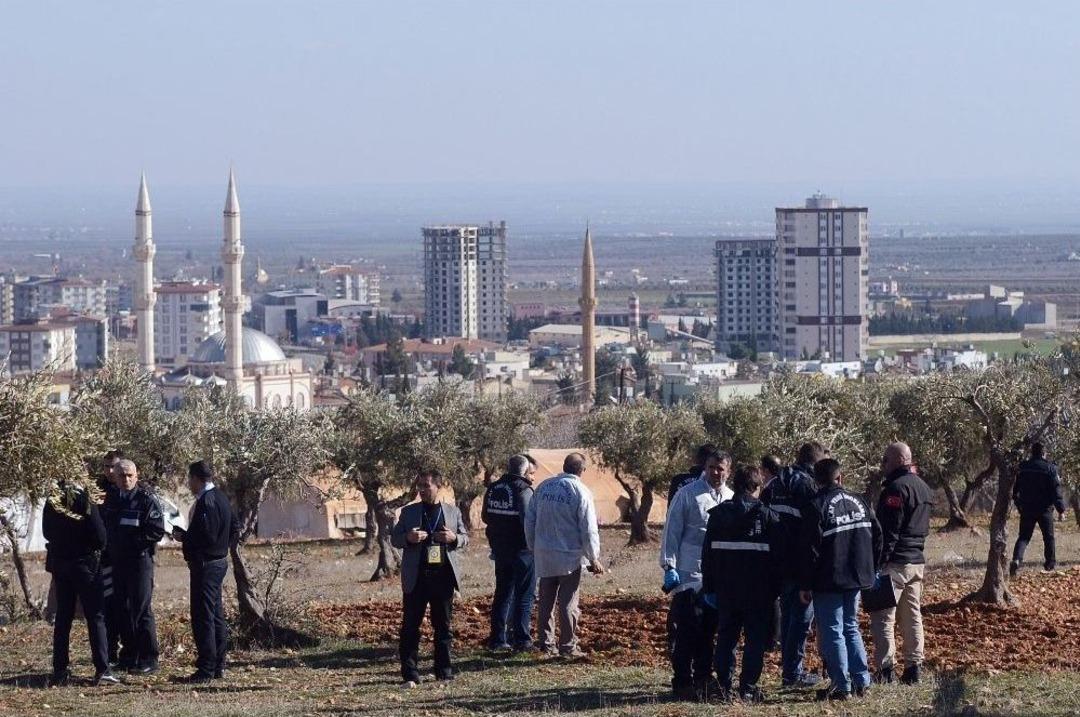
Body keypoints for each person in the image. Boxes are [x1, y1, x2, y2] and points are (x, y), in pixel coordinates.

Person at [799, 459, 881, 701]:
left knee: (833, 630)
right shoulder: (861, 501)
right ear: (840, 477)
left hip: (829, 579)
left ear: (816, 481)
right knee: (851, 626)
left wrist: (806, 583)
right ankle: (862, 681)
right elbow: (878, 535)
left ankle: (841, 686)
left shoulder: (816, 506)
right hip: (856, 577)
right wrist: (871, 567)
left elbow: (810, 551)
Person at [700, 465, 781, 703]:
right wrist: (775, 591)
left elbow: (707, 556)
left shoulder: (718, 515)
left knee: (726, 638)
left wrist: (710, 587)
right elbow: (778, 559)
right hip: (758, 594)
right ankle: (748, 688)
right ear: (757, 487)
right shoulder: (767, 517)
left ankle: (724, 686)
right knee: (754, 641)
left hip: (726, 592)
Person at [659, 450, 732, 700]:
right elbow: (672, 531)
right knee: (688, 629)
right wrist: (669, 565)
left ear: (728, 471)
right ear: (705, 467)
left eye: (720, 468)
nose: (716, 472)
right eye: (712, 467)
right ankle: (681, 681)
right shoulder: (688, 494)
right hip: (689, 572)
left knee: (710, 629)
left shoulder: (730, 498)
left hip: (717, 576)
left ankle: (703, 677)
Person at [391, 471, 469, 686]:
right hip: (416, 577)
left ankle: (444, 671)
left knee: (443, 626)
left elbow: (465, 538)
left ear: (438, 486)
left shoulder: (453, 512)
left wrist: (454, 539)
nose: (422, 490)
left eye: (426, 486)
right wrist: (408, 537)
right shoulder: (408, 513)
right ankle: (410, 674)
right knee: (410, 627)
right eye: (420, 486)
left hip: (443, 577)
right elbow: (395, 538)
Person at [525, 452, 604, 659]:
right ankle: (568, 646)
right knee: (568, 601)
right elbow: (588, 528)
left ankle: (545, 643)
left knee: (546, 600)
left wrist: (533, 546)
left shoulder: (543, 487)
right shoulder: (580, 490)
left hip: (544, 553)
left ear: (564, 466)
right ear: (582, 470)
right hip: (569, 555)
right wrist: (593, 557)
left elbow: (530, 519)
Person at [760, 441, 826, 688]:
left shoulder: (776, 483)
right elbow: (812, 529)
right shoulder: (808, 486)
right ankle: (792, 674)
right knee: (800, 619)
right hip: (799, 564)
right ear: (818, 462)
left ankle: (789, 671)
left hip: (777, 562)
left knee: (789, 617)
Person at [43, 480, 119, 687]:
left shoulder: (53, 499)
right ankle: (102, 669)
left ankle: (59, 670)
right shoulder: (85, 499)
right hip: (85, 565)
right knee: (96, 616)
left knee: (63, 618)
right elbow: (100, 536)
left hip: (61, 564)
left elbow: (46, 532)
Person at [870, 441, 932, 685]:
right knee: (912, 616)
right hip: (917, 561)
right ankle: (914, 667)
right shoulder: (924, 488)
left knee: (884, 616)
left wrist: (879, 563)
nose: (882, 465)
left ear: (898, 460)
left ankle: (886, 670)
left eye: (885, 460)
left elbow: (889, 532)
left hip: (895, 563)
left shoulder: (896, 489)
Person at [173, 461, 238, 683]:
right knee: (216, 615)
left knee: (204, 617)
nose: (188, 484)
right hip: (218, 562)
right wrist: (223, 548)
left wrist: (184, 538)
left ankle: (207, 668)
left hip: (206, 565)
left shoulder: (206, 502)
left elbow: (206, 535)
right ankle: (219, 664)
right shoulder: (222, 498)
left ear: (196, 478)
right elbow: (235, 528)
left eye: (189, 479)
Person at [102, 458, 165, 675]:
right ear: (115, 477)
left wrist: (132, 544)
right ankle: (129, 656)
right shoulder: (110, 500)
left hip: (139, 563)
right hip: (118, 564)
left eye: (130, 475)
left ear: (136, 476)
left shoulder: (146, 500)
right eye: (122, 475)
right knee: (122, 609)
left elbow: (156, 530)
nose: (126, 479)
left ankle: (149, 658)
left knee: (141, 610)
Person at [482, 454, 536, 652]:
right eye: (531, 472)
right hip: (522, 551)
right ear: (523, 471)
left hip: (500, 549)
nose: (532, 476)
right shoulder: (523, 490)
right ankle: (521, 640)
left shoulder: (494, 487)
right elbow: (528, 522)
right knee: (524, 595)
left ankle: (497, 639)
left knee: (502, 593)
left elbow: (485, 516)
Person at [1010, 442, 1067, 575]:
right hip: (1044, 509)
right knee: (1049, 537)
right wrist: (1061, 510)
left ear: (1032, 452)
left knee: (1023, 537)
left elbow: (1015, 489)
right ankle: (1050, 564)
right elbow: (1056, 491)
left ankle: (1017, 560)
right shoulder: (1050, 468)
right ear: (1043, 453)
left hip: (1027, 508)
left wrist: (1019, 505)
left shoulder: (1023, 467)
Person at [98, 450, 124, 666]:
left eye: (113, 466)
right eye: (106, 466)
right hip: (105, 557)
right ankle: (110, 651)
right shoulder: (98, 488)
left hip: (126, 558)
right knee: (107, 604)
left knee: (126, 605)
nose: (109, 471)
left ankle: (130, 651)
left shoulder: (129, 488)